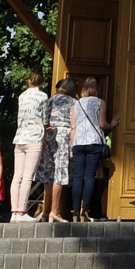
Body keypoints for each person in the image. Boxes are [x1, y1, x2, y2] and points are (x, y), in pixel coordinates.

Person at [69, 80, 115, 223]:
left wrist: (72, 144)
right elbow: (102, 124)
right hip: (94, 141)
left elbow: (73, 126)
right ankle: (84, 211)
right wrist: (112, 124)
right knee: (89, 177)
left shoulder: (76, 104)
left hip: (79, 141)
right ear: (96, 88)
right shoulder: (100, 102)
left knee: (78, 176)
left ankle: (75, 210)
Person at [9, 71, 48, 222]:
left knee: (17, 176)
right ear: (42, 82)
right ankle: (21, 211)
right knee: (27, 177)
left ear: (29, 81)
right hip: (34, 137)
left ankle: (14, 211)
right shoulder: (43, 96)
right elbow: (44, 118)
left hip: (20, 137)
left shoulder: (22, 96)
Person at [40, 78, 77, 223]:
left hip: (50, 136)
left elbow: (43, 120)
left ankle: (45, 212)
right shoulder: (73, 103)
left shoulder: (50, 101)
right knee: (60, 174)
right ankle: (55, 212)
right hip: (64, 137)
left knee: (49, 175)